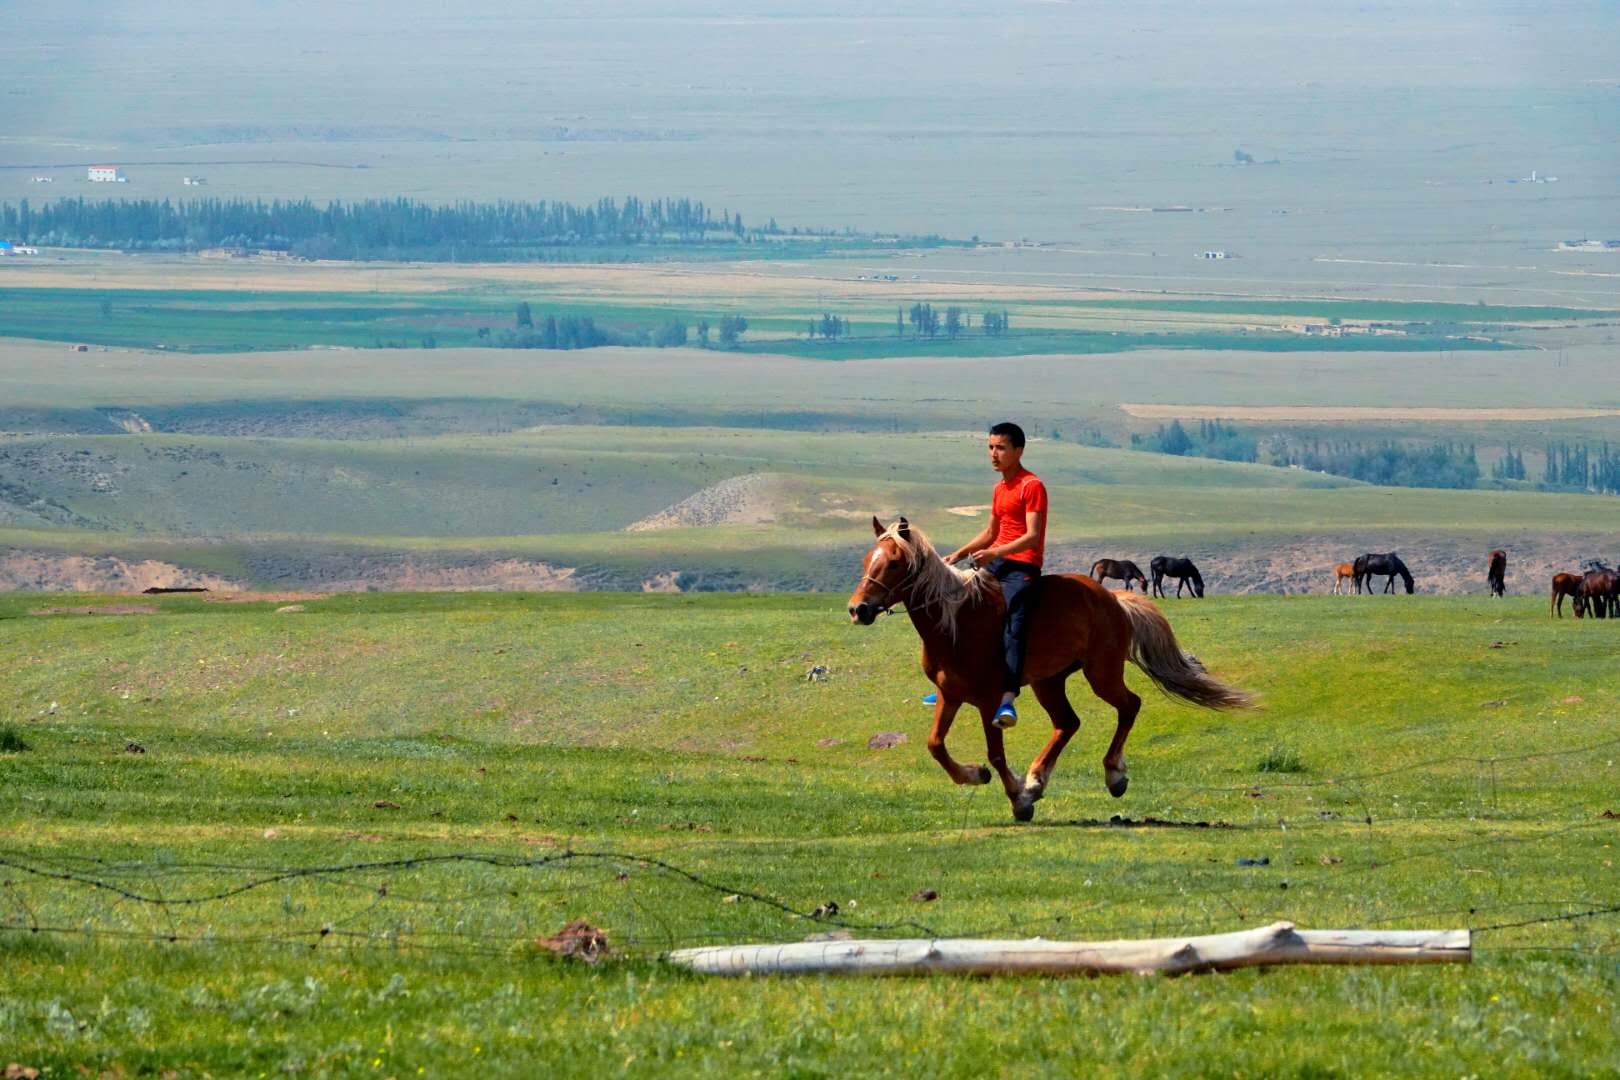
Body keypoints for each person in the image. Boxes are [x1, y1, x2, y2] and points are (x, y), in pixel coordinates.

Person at [942, 422, 1048, 728]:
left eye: (1000, 448)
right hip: (997, 560)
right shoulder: (1000, 488)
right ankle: (955, 682)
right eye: (990, 447)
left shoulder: (1032, 486)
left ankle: (1007, 700)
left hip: (1022, 566)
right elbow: (991, 532)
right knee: (958, 608)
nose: (993, 454)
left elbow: (1032, 536)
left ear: (1018, 450)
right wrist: (959, 553)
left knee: (1014, 625)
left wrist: (995, 554)